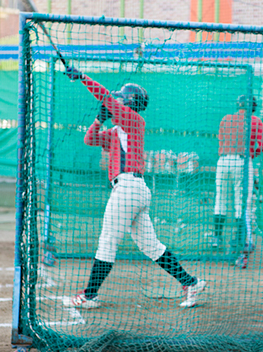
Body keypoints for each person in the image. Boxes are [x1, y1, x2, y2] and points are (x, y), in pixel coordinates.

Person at [61, 67, 206, 309]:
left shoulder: (132, 119)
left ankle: (89, 296)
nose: (117, 99)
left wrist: (83, 78)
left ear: (129, 101)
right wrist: (99, 119)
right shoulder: (117, 131)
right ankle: (190, 282)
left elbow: (106, 97)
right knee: (151, 246)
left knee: (107, 240)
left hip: (128, 187)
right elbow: (90, 139)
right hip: (134, 189)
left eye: (121, 97)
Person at [211, 95, 263, 256]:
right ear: (253, 106)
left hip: (222, 162)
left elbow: (221, 141)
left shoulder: (225, 119)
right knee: (242, 203)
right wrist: (252, 154)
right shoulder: (254, 120)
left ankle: (216, 237)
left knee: (220, 200)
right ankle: (240, 240)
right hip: (242, 162)